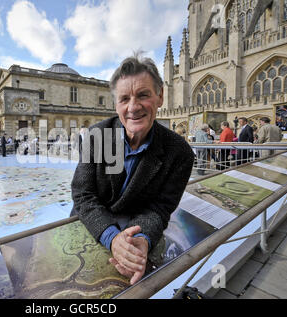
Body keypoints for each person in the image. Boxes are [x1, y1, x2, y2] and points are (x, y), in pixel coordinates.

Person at [70, 54, 194, 285]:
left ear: (160, 96)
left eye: (143, 95)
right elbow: (83, 196)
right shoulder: (99, 136)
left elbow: (159, 208)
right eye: (124, 98)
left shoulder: (179, 152)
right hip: (92, 226)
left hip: (136, 226)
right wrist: (111, 237)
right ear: (116, 104)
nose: (133, 107)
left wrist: (141, 240)